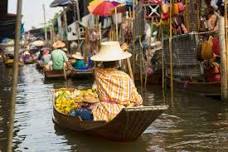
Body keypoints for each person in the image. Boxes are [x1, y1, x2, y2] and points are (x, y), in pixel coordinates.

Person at [90, 41, 143, 122]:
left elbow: (97, 65)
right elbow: (138, 99)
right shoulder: (125, 76)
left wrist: (120, 51)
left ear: (103, 62)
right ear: (117, 63)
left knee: (77, 113)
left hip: (103, 113)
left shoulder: (99, 73)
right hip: (121, 112)